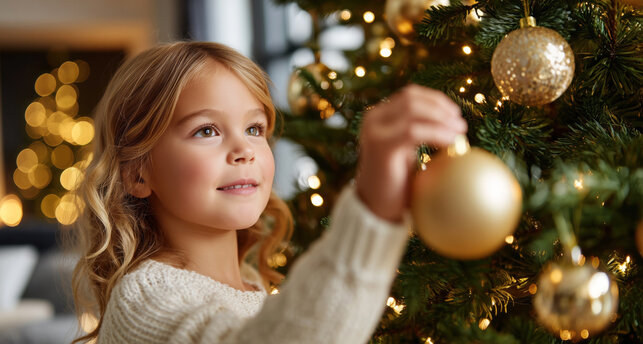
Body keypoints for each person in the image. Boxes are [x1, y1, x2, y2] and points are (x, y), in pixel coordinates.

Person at [67, 41, 467, 344]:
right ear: (138, 173)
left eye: (254, 129)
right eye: (206, 130)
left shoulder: (257, 291)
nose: (243, 150)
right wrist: (374, 207)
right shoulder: (143, 298)